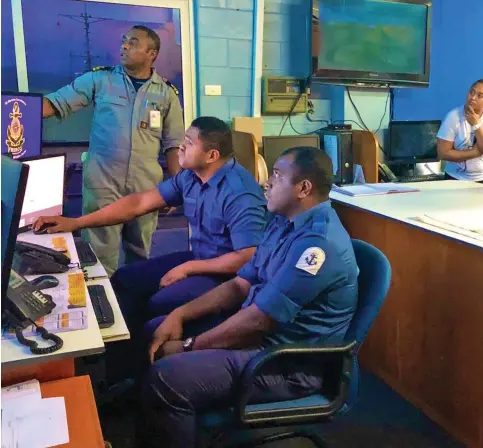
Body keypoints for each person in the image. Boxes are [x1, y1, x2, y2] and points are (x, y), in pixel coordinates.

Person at [138, 147, 359, 447]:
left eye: (277, 176)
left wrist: (189, 346)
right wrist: (180, 315)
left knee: (167, 379)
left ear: (303, 188)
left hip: (287, 364)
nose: (267, 183)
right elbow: (239, 285)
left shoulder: (318, 245)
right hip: (261, 340)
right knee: (157, 329)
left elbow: (259, 321)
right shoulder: (282, 222)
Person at [33, 117, 267, 382]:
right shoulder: (191, 177)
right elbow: (140, 202)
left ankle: (135, 377)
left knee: (156, 302)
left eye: (188, 143)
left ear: (212, 155)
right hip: (201, 258)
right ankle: (113, 363)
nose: (179, 148)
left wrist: (189, 268)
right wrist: (75, 222)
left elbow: (248, 257)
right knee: (124, 279)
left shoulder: (239, 194)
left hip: (227, 275)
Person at [43, 25, 185, 276]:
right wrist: (17, 112)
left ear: (152, 53)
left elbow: (173, 144)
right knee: (97, 258)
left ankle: (133, 306)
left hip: (145, 188)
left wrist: (176, 186)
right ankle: (99, 310)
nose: (124, 47)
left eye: (132, 42)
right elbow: (56, 103)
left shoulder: (166, 94)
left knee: (140, 255)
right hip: (103, 183)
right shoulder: (100, 80)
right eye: (123, 41)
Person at [436, 79, 483, 185]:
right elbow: (443, 153)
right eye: (471, 92)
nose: (473, 98)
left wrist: (476, 125)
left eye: (480, 96)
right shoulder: (453, 116)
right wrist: (476, 152)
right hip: (456, 177)